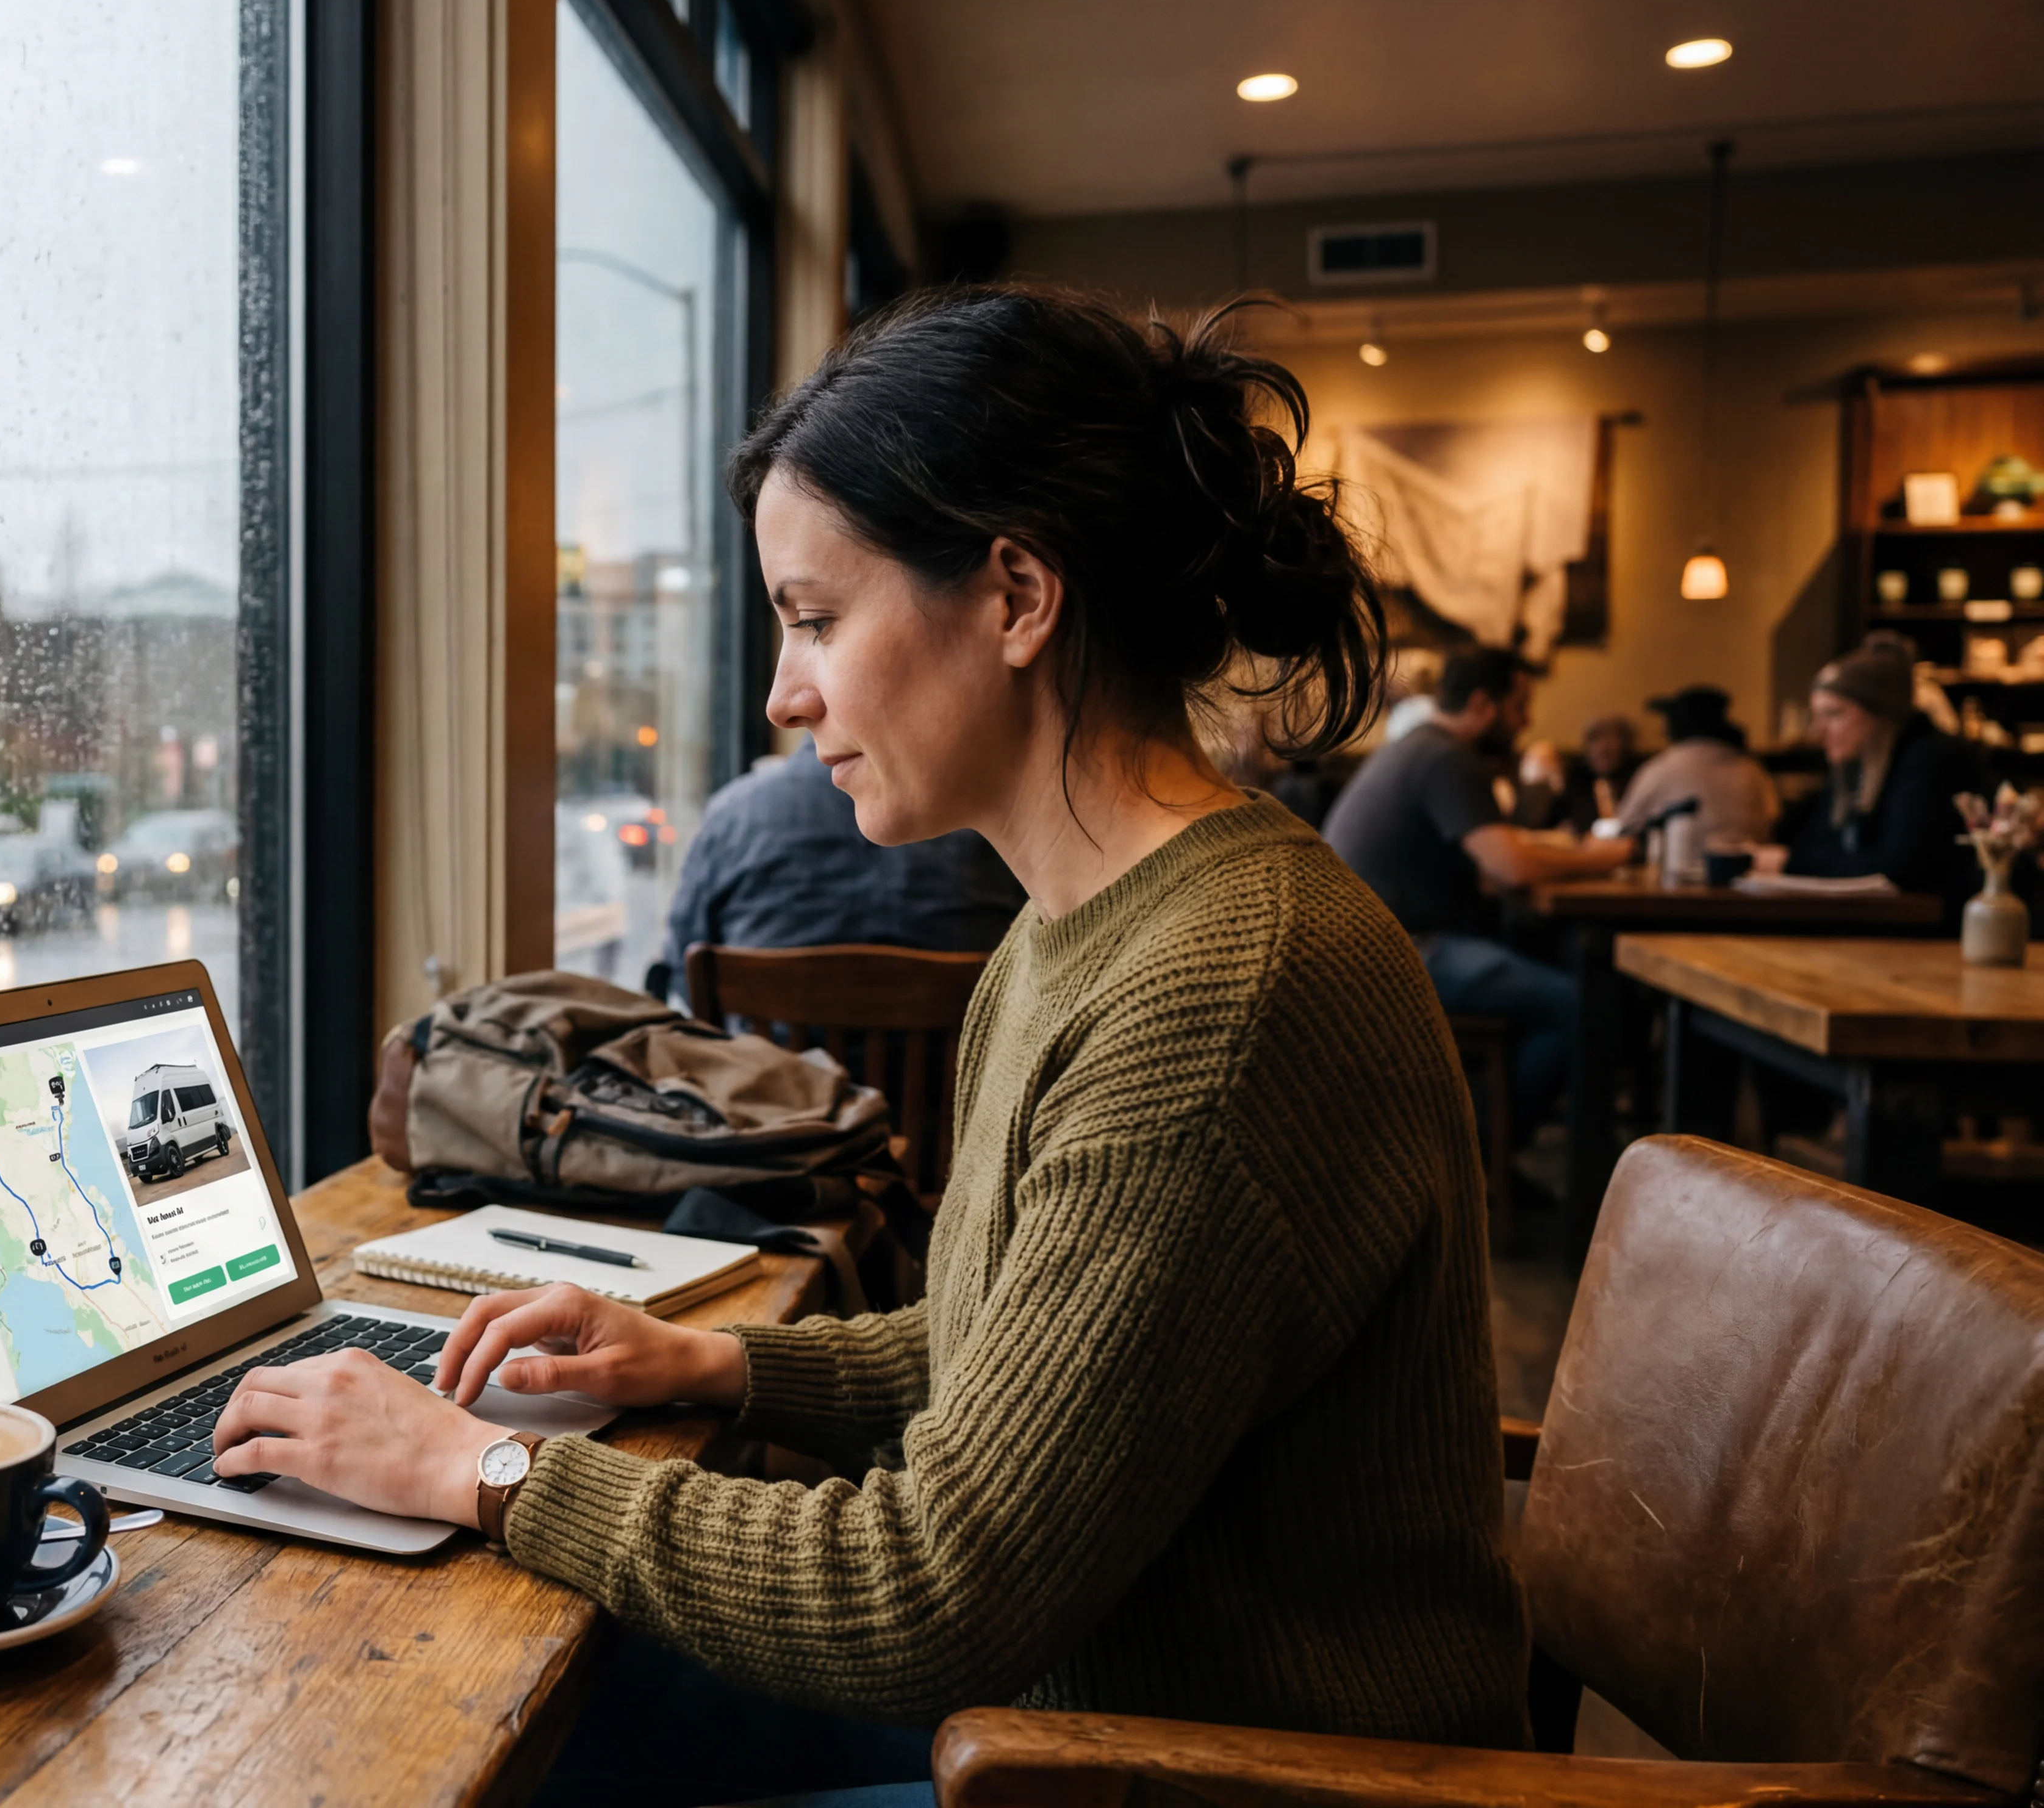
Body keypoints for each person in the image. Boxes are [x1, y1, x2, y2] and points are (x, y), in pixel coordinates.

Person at [209, 288, 1527, 1805]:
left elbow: (930, 1593)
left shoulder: (1222, 993)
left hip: (1204, 1772)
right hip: (1073, 1705)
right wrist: (706, 1355)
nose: (785, 692)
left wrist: (479, 1465)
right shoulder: (1079, 923)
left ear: (1018, 594)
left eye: (818, 618)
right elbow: (1005, 1350)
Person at [1321, 648, 1630, 1124]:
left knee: (1554, 976)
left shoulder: (1421, 748)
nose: (1526, 721)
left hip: (1369, 951)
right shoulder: (1446, 758)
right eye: (1520, 706)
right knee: (1584, 1004)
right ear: (1484, 704)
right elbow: (1511, 867)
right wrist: (1598, 858)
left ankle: (1490, 1152)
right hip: (1400, 956)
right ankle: (1485, 1151)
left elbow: (1493, 864)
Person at [651, 734, 1025, 998]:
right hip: (952, 1104)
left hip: (770, 1101)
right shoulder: (982, 824)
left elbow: (685, 972)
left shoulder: (734, 815)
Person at [1770, 632, 1981, 909]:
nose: (1819, 732)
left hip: (1945, 934)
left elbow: (1897, 869)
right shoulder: (1852, 769)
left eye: (1834, 714)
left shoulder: (1930, 760)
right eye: (1817, 716)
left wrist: (1789, 862)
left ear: (1879, 715)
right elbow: (1815, 841)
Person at [1611, 685, 1780, 847]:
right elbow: (1773, 819)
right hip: (1752, 870)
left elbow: (1625, 827)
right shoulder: (1752, 769)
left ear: (1676, 726)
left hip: (1681, 870)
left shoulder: (1661, 769)